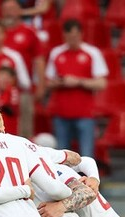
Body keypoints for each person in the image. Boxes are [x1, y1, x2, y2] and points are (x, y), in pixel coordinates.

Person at [45, 19, 107, 159]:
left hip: (85, 113)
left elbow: (102, 83)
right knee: (62, 156)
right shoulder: (56, 53)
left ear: (81, 34)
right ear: (64, 36)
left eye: (76, 36)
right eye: (70, 36)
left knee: (86, 155)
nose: (73, 39)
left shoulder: (92, 53)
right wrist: (61, 82)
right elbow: (48, 82)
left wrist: (78, 82)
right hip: (61, 112)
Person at [0, 0, 45, 137]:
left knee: (25, 128)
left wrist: (41, 85)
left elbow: (39, 60)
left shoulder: (29, 32)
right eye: (6, 9)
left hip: (23, 89)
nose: (9, 13)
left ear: (20, 11)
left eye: (12, 9)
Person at [0, 66, 21, 135]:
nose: (0, 80)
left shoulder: (12, 91)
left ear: (12, 79)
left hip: (9, 132)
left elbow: (11, 110)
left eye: (4, 77)